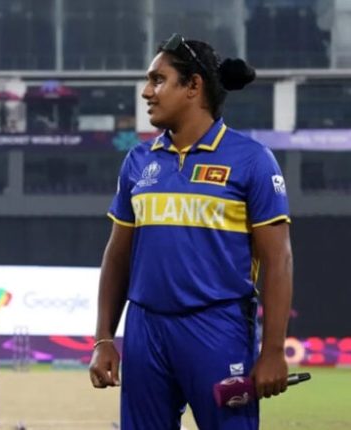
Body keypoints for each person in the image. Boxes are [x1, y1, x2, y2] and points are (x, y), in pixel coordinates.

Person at [88, 33, 293, 430]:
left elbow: (279, 260)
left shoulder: (252, 161)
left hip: (218, 328)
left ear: (193, 86)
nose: (147, 92)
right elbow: (117, 255)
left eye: (158, 80)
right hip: (145, 329)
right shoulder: (138, 161)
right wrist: (104, 338)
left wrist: (273, 351)